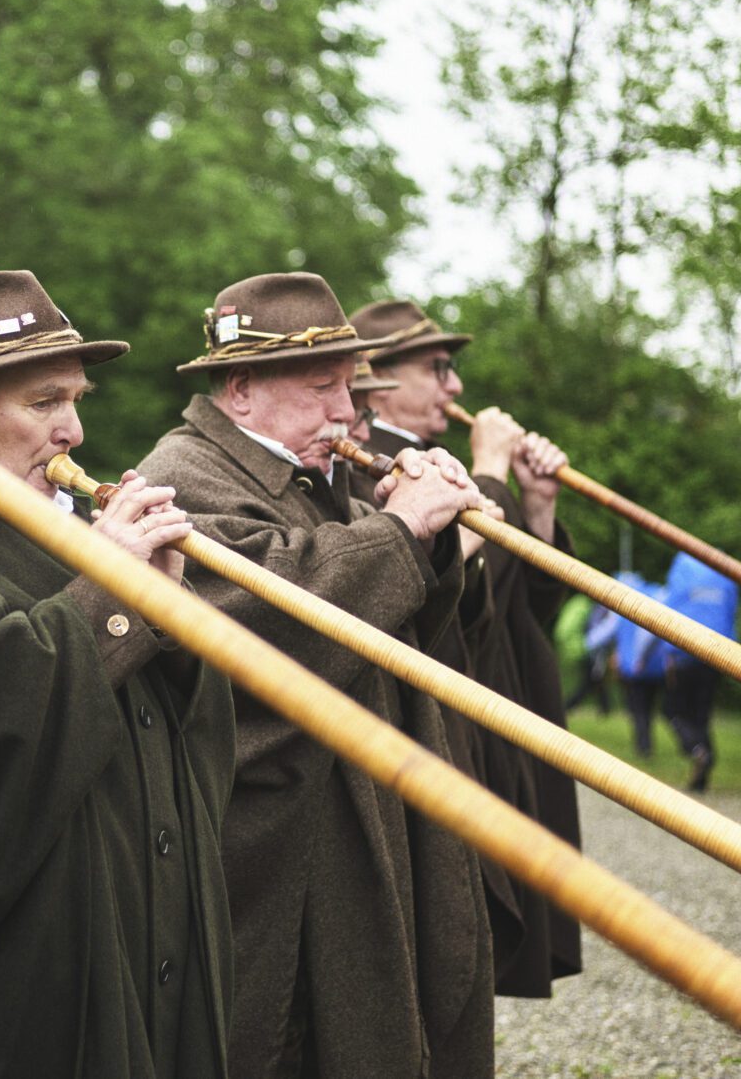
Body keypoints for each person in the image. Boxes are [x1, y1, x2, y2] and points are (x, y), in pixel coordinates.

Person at [139, 273, 493, 1079]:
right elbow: (263, 614)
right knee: (279, 1044)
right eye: (323, 387)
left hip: (353, 823)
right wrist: (401, 531)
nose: (349, 412)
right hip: (275, 854)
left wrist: (433, 547)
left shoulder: (309, 469)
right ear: (240, 390)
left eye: (350, 387)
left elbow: (394, 635)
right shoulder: (184, 473)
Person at [0, 270, 234, 1078]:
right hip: (24, 977)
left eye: (76, 399)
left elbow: (196, 739)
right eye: (45, 403)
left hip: (151, 937)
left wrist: (169, 613)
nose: (75, 431)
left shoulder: (71, 523)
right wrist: (109, 598)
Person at [350, 298, 583, 1000]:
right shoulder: (374, 468)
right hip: (434, 739)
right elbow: (448, 601)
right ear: (380, 380)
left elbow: (518, 614)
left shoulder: (432, 459)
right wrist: (488, 473)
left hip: (496, 720)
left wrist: (536, 507)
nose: (456, 389)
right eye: (438, 369)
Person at [659, 552, 739, 793]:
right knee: (701, 713)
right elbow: (730, 615)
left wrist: (668, 652)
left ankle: (697, 750)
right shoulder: (723, 578)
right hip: (716, 656)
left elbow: (669, 612)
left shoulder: (682, 572)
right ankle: (702, 774)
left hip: (684, 655)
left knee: (671, 710)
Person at [607, 572, 668, 757]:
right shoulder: (657, 595)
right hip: (658, 667)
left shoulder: (626, 601)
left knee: (638, 709)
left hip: (635, 666)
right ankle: (646, 745)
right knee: (649, 707)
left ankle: (643, 747)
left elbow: (610, 631)